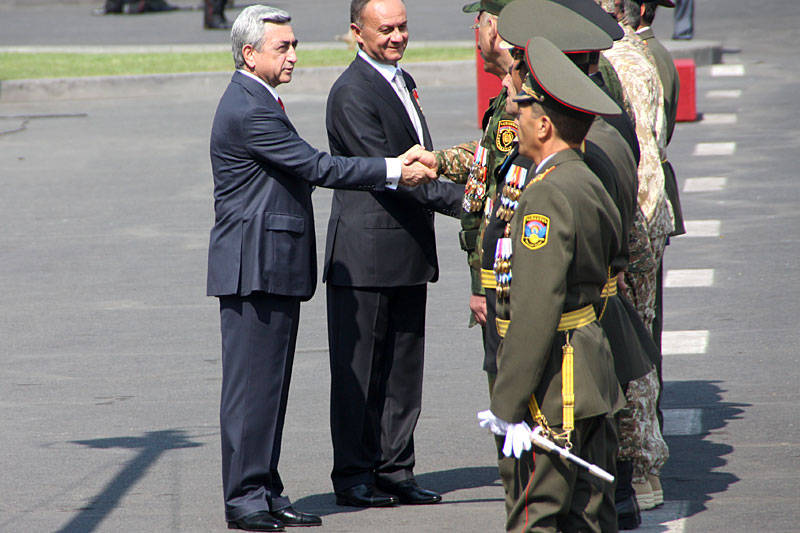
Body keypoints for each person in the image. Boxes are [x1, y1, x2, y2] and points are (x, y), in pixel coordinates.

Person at [207, 5, 436, 531]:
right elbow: (315, 165)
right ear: (249, 54)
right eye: (281, 47)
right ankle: (245, 499)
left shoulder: (259, 98)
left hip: (269, 267)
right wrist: (393, 168)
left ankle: (264, 490)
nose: (292, 54)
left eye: (293, 44)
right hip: (254, 269)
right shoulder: (249, 106)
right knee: (252, 390)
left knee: (269, 389)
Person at [322, 0, 464, 509]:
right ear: (357, 32)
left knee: (404, 370)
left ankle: (395, 468)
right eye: (386, 29)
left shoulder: (399, 79)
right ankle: (355, 474)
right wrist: (467, 202)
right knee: (359, 373)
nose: (397, 36)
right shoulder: (351, 92)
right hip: (364, 255)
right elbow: (395, 177)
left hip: (405, 251)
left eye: (403, 27)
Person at [479, 37, 624, 532]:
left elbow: (535, 311)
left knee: (536, 515)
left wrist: (507, 403)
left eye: (524, 108)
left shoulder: (543, 197)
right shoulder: (586, 178)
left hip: (554, 385)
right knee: (589, 514)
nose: (515, 115)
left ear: (544, 124)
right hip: (592, 372)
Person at [433, 0, 516, 394]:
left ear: (494, 31)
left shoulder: (519, 97)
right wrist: (437, 162)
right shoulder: (511, 92)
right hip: (503, 273)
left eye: (478, 24)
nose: (475, 36)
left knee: (507, 386)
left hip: (505, 278)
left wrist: (481, 285)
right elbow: (487, 155)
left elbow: (503, 201)